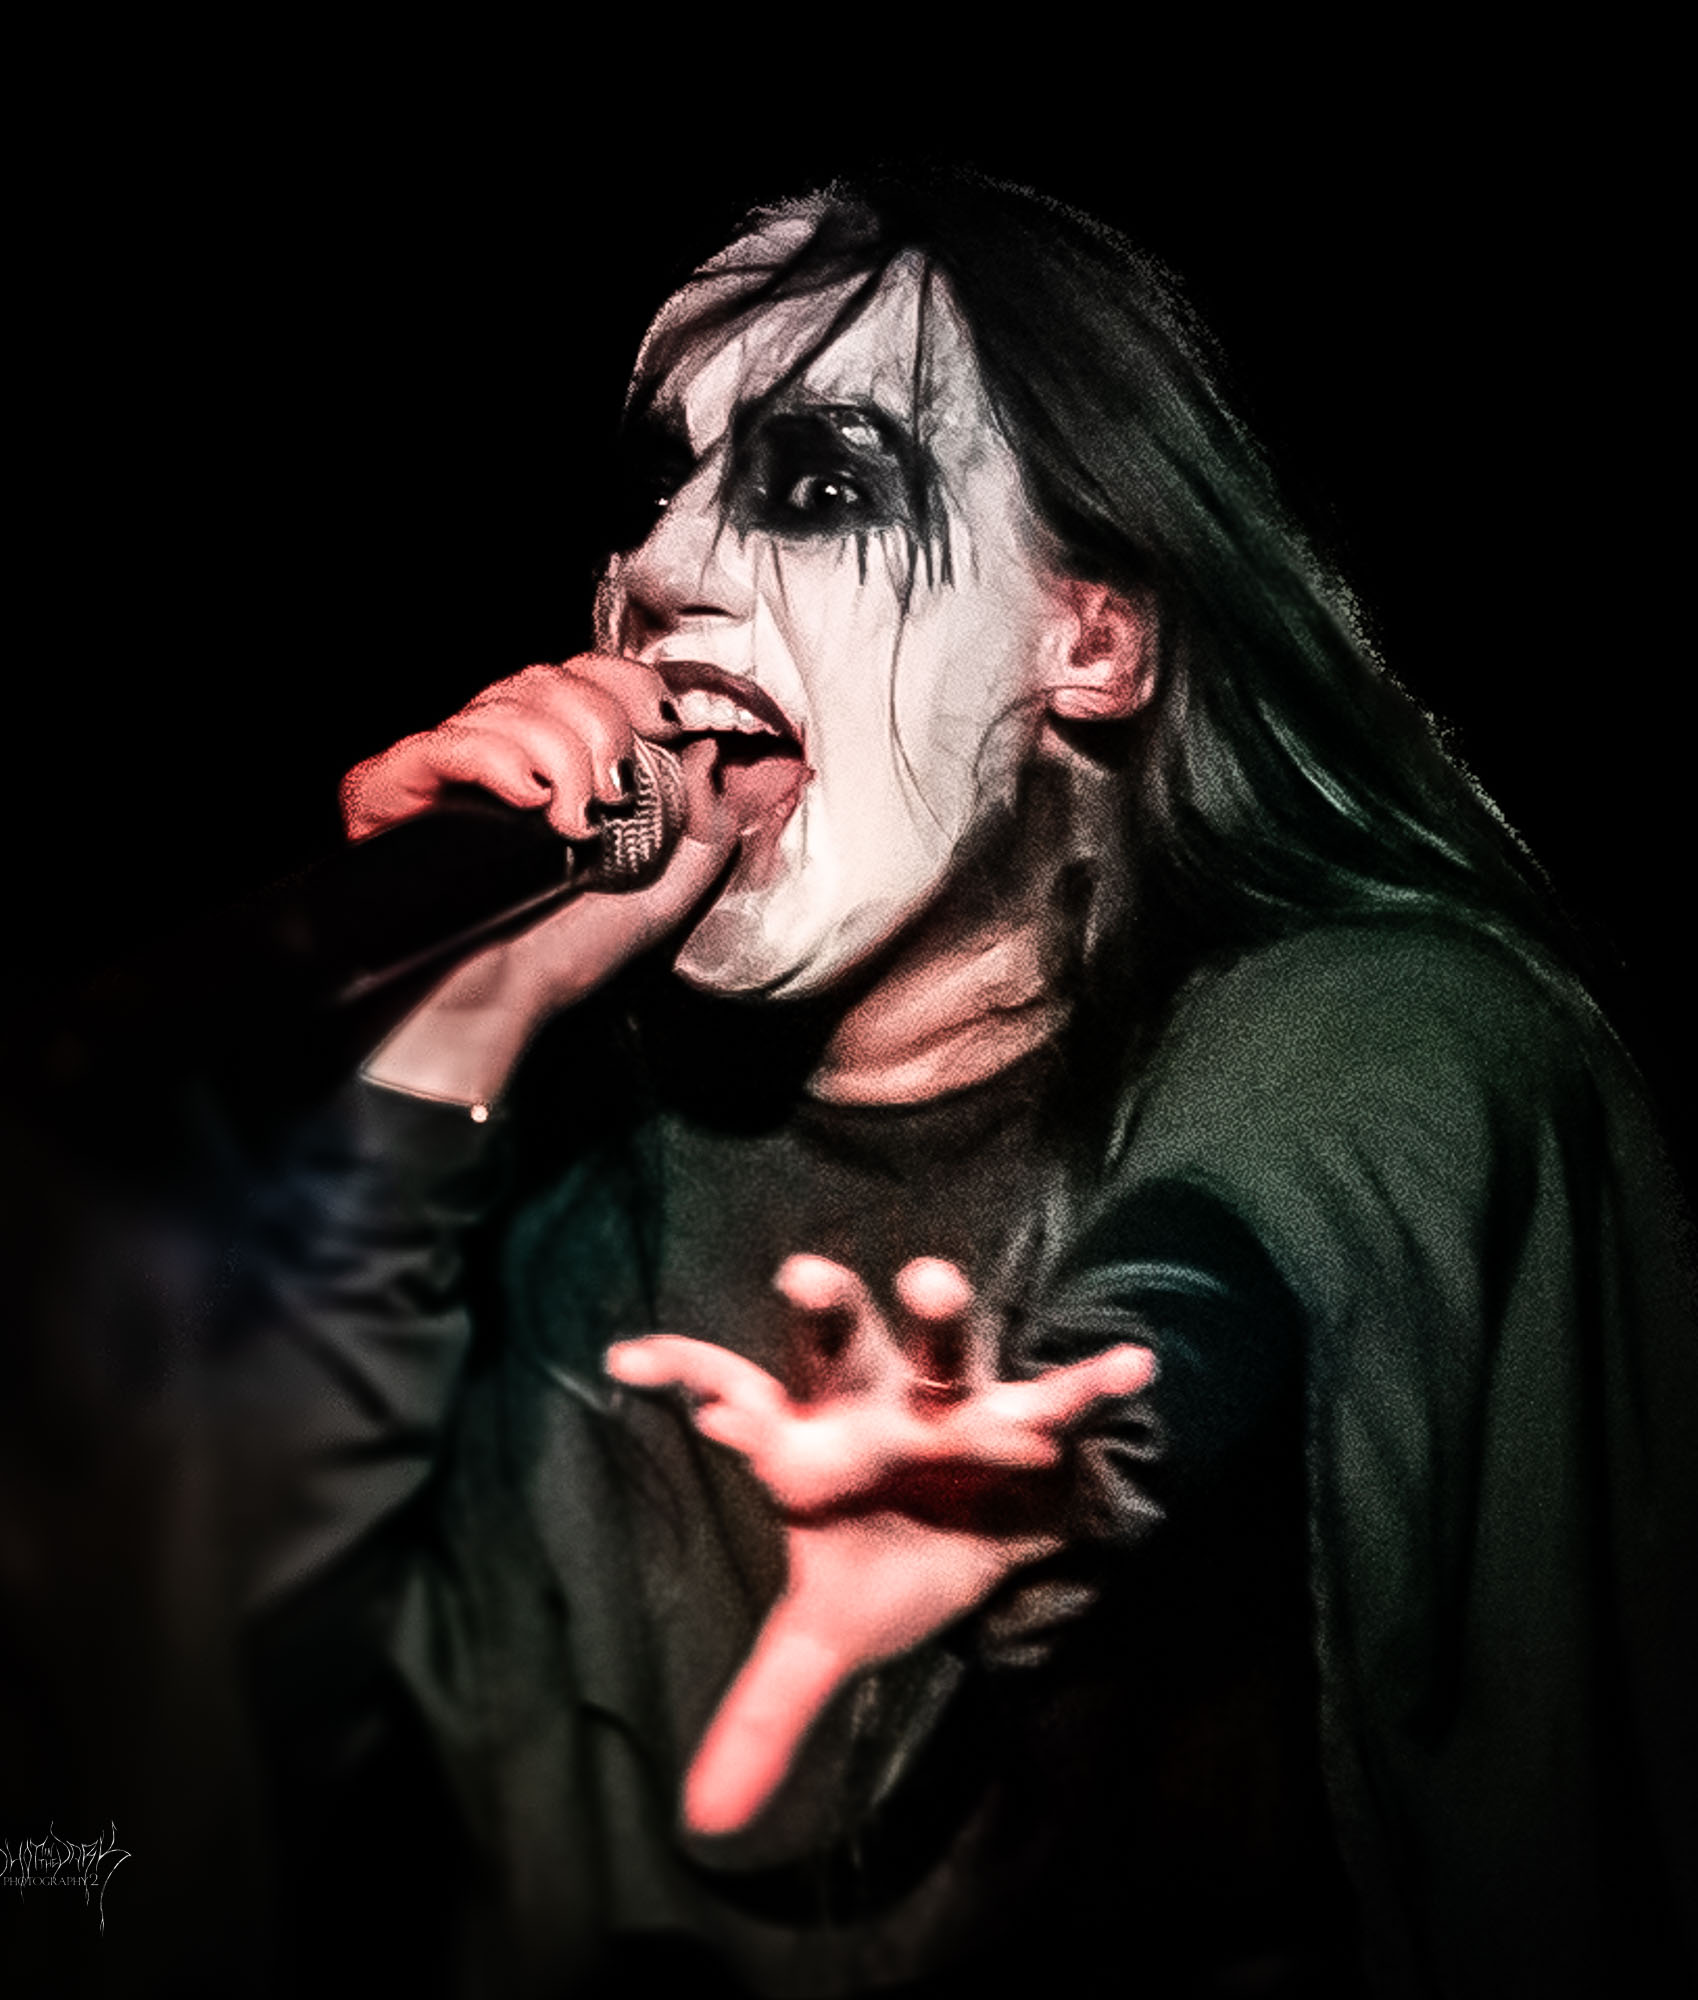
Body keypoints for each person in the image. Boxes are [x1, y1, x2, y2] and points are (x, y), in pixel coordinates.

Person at [226, 169, 1696, 1996]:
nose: (663, 569)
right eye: (662, 487)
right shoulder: (568, 1198)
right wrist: (441, 1036)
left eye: (815, 486)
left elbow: (1297, 1184)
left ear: (1092, 639)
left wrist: (1080, 1445)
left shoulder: (1374, 1021)